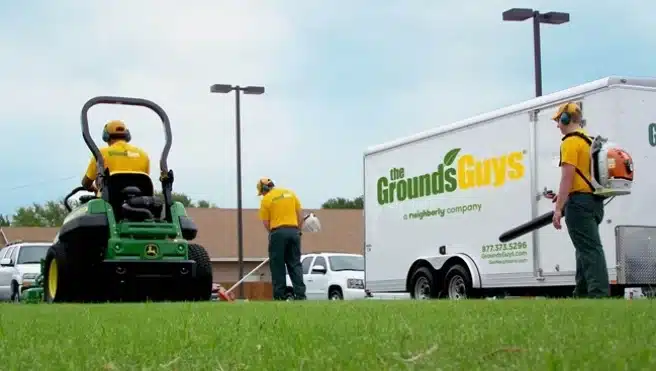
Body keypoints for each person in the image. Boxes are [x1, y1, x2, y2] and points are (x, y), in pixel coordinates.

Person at [549, 102, 609, 298]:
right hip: (594, 202)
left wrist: (558, 209)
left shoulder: (569, 142)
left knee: (590, 249)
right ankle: (581, 292)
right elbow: (582, 176)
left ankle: (598, 293)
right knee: (583, 248)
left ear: (566, 119)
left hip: (579, 205)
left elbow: (567, 177)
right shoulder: (589, 141)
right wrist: (563, 195)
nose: (558, 125)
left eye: (558, 121)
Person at [257, 177, 306, 300]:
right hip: (294, 231)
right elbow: (300, 215)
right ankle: (300, 295)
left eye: (261, 193)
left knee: (277, 266)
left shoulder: (266, 200)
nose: (262, 195)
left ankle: (280, 296)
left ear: (263, 189)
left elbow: (266, 223)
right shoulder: (290, 194)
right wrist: (298, 231)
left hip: (277, 232)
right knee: (295, 264)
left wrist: (274, 235)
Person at [81, 120, 150, 193]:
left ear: (106, 136)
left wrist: (94, 189)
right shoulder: (143, 154)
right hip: (139, 201)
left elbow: (86, 183)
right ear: (127, 135)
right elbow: (144, 180)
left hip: (110, 202)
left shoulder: (100, 154)